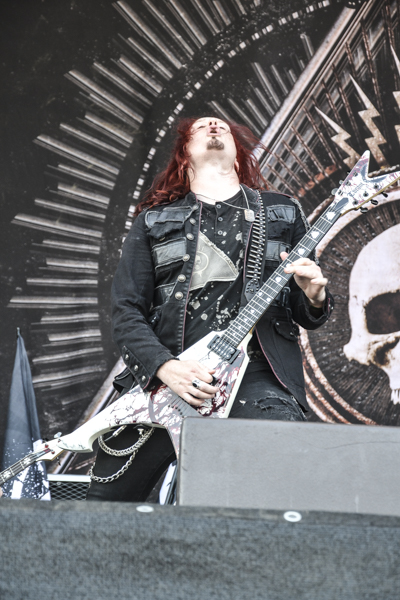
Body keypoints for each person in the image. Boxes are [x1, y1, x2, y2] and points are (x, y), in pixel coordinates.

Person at [86, 116, 333, 502]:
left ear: (237, 153)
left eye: (222, 127)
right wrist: (165, 368)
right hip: (165, 380)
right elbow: (126, 311)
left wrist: (315, 294)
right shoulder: (153, 221)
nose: (214, 125)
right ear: (185, 155)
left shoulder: (282, 212)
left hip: (257, 374)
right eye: (200, 128)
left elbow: (306, 311)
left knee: (281, 475)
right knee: (104, 507)